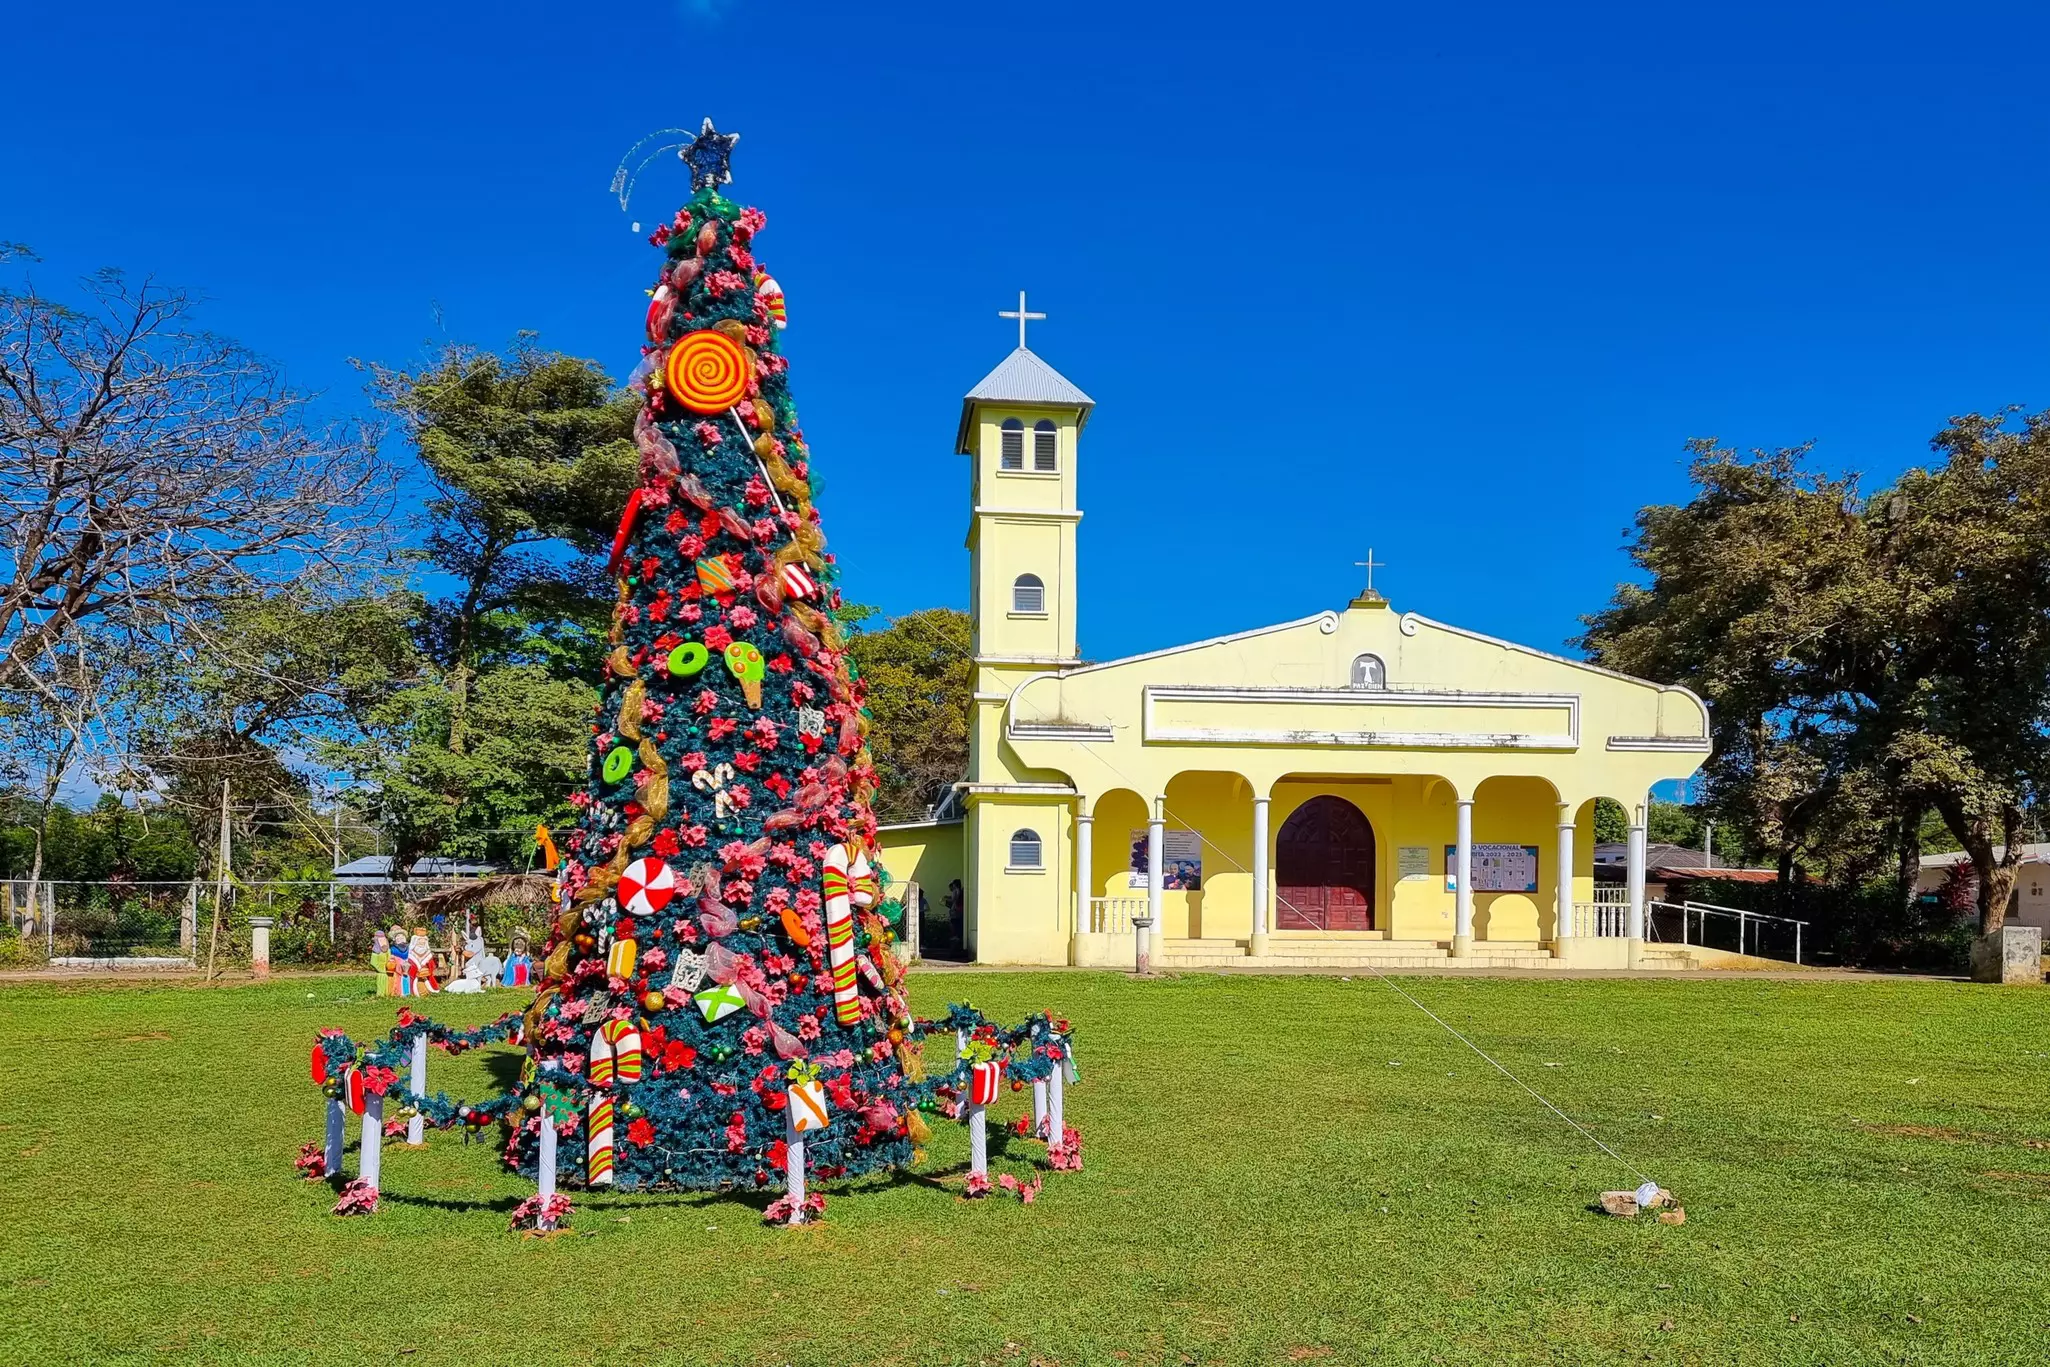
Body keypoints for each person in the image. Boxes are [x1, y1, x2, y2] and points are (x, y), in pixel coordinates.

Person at [405, 927, 440, 996]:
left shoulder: (428, 954)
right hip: (416, 975)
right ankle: (415, 991)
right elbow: (410, 964)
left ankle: (427, 991)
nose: (422, 942)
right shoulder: (411, 953)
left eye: (424, 940)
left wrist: (427, 968)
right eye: (420, 940)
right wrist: (416, 970)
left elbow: (432, 964)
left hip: (425, 976)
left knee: (427, 983)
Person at [370, 929, 392, 996]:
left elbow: (390, 958)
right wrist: (380, 969)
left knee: (388, 983)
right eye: (380, 940)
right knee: (381, 982)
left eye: (383, 939)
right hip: (381, 971)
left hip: (388, 970)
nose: (382, 941)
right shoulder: (376, 951)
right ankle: (380, 994)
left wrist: (390, 965)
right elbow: (373, 962)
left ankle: (387, 993)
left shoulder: (388, 950)